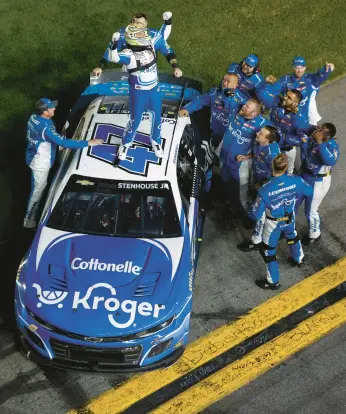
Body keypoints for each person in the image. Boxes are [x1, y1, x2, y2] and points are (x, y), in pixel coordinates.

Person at [24, 98, 103, 229]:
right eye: (51, 108)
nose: (54, 109)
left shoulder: (33, 117)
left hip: (34, 153)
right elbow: (64, 143)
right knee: (38, 190)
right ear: (44, 112)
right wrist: (89, 142)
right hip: (40, 162)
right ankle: (28, 220)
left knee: (40, 187)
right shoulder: (46, 128)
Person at [248, 154, 313, 290]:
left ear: (272, 166)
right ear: (285, 167)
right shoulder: (296, 180)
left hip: (273, 224)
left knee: (269, 251)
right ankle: (298, 258)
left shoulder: (265, 189)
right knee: (292, 237)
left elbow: (255, 215)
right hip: (290, 217)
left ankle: (273, 282)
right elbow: (309, 191)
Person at [178, 73, 248, 191]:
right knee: (207, 161)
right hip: (214, 136)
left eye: (228, 81)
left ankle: (229, 190)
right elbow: (200, 100)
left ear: (236, 85)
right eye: (224, 79)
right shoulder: (215, 93)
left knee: (228, 167)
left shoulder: (242, 101)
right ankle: (206, 190)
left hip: (231, 142)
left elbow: (253, 111)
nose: (224, 82)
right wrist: (187, 108)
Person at [108, 24, 168, 160]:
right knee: (135, 121)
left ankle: (156, 142)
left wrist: (167, 22)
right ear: (133, 38)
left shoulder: (151, 45)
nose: (145, 35)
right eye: (140, 34)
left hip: (154, 90)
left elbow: (162, 36)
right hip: (138, 92)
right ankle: (125, 143)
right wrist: (113, 44)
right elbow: (114, 58)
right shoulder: (129, 54)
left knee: (157, 117)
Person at [220, 98, 268, 221]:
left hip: (240, 163)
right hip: (225, 157)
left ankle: (246, 217)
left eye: (247, 107)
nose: (243, 107)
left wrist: (248, 157)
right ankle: (231, 204)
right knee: (226, 182)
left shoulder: (262, 125)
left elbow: (266, 147)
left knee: (242, 192)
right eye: (245, 104)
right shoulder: (237, 112)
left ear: (254, 114)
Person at [93, 12, 182, 78]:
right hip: (129, 69)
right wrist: (100, 67)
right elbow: (110, 51)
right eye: (134, 22)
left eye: (140, 23)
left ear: (146, 25)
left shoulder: (154, 35)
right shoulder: (123, 34)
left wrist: (176, 67)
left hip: (149, 70)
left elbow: (167, 51)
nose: (136, 25)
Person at [237, 125, 281, 251]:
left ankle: (257, 240)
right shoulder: (261, 144)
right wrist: (246, 157)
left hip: (265, 187)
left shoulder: (273, 154)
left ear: (268, 140)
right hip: (258, 181)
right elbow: (256, 155)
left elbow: (277, 177)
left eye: (261, 133)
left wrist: (262, 185)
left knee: (261, 213)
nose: (257, 133)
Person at [299, 123, 339, 245]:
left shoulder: (332, 146)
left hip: (318, 181)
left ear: (327, 136)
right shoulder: (312, 137)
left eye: (321, 130)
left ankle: (315, 234)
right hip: (305, 175)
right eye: (318, 128)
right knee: (298, 203)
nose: (317, 130)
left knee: (311, 210)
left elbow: (330, 160)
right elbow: (300, 127)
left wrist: (320, 143)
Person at [266, 56, 335, 125]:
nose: (299, 71)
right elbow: (272, 91)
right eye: (297, 68)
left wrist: (328, 68)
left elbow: (321, 75)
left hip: (306, 117)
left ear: (305, 68)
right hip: (288, 117)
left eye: (302, 68)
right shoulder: (285, 80)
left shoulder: (310, 79)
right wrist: (267, 83)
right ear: (293, 68)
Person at [270, 89, 310, 174]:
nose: (284, 98)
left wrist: (285, 138)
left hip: (287, 150)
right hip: (272, 145)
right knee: (272, 170)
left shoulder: (300, 119)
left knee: (289, 172)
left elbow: (303, 140)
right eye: (285, 95)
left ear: (295, 103)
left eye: (288, 97)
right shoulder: (278, 107)